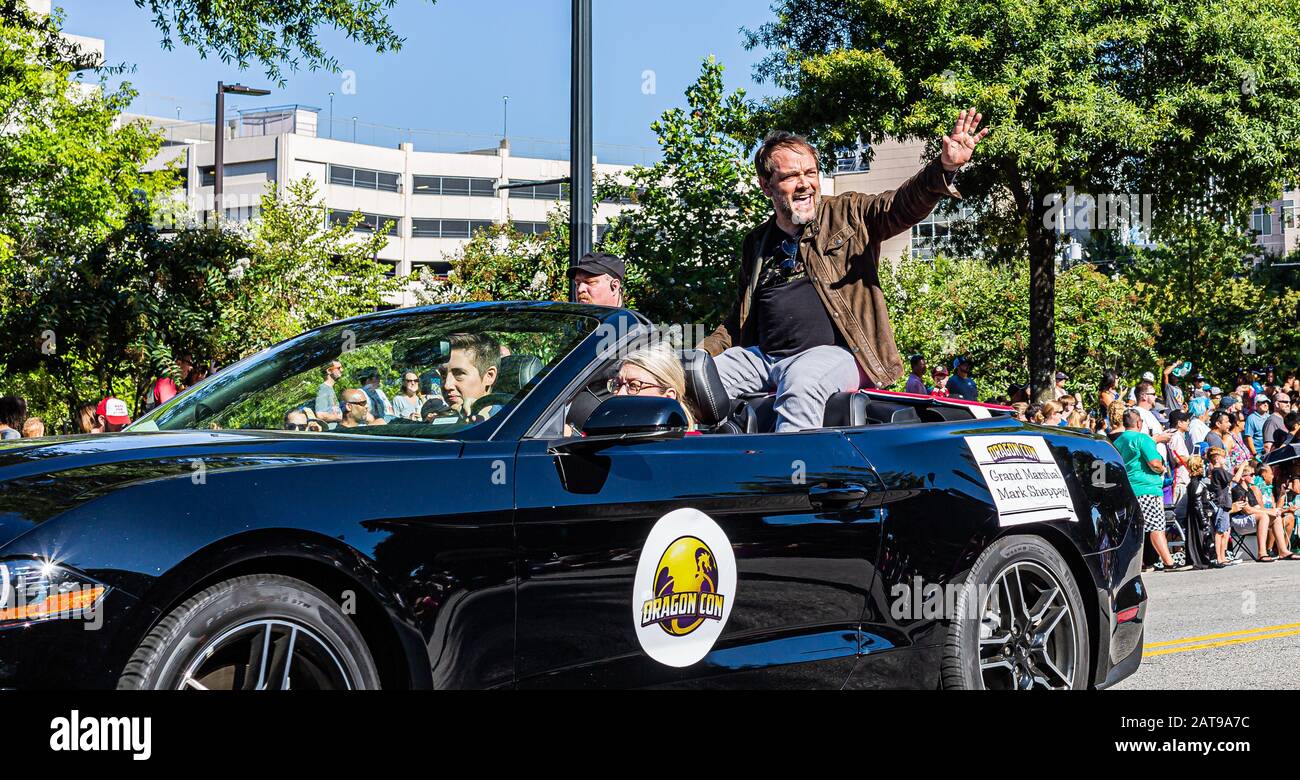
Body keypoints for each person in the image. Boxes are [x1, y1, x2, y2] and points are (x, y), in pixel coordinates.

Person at [699, 111, 988, 431]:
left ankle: (793, 463)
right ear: (766, 185)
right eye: (791, 176)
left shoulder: (848, 213)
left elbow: (900, 205)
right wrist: (693, 357)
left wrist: (944, 168)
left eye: (811, 173)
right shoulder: (756, 243)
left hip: (839, 356)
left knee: (802, 382)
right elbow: (737, 323)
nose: (805, 184)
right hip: (765, 359)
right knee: (698, 379)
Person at [1114, 409, 1189, 571]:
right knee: (1156, 526)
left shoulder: (1118, 441)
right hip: (1147, 488)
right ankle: (1169, 562)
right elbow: (1154, 463)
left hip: (1129, 488)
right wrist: (1162, 469)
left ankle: (1139, 563)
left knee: (1137, 529)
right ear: (1139, 423)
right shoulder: (1143, 438)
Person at [611, 342, 698, 430]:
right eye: (617, 384)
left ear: (668, 397)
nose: (619, 394)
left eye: (633, 385)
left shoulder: (685, 439)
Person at [1229, 460, 1298, 561]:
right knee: (1263, 516)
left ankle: (1283, 551)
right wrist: (1269, 512)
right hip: (1237, 522)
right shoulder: (1237, 490)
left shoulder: (1249, 490)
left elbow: (1258, 508)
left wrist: (1275, 511)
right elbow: (1247, 510)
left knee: (1276, 517)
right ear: (1243, 477)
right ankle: (1262, 553)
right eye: (1251, 475)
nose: (1254, 477)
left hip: (1249, 520)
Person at [440, 332, 501, 421]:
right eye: (443, 375)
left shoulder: (510, 422)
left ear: (489, 376)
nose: (447, 385)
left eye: (459, 374)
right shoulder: (438, 422)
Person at [1206, 447, 1235, 567]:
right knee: (1220, 532)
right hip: (1221, 504)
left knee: (1225, 531)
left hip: (1225, 504)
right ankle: (1219, 557)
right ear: (1217, 459)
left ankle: (1222, 556)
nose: (1225, 459)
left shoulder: (1218, 471)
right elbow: (1235, 479)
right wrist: (1242, 466)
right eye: (1223, 457)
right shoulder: (1218, 471)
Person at [315, 360, 344, 424]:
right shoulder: (323, 389)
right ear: (329, 371)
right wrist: (340, 418)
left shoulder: (329, 388)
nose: (342, 370)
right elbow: (320, 415)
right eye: (338, 368)